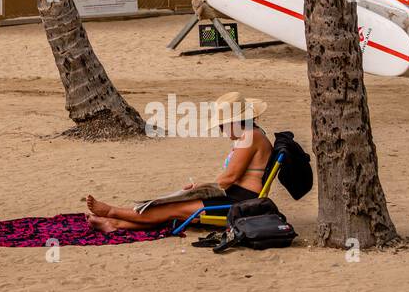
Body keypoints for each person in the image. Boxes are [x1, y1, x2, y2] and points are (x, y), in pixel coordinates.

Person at [84, 93, 273, 233]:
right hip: (235, 195)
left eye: (223, 125)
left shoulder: (250, 136)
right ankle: (114, 224)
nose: (222, 129)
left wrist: (201, 189)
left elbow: (230, 177)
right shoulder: (249, 134)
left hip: (240, 202)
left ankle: (113, 212)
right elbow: (231, 178)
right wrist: (200, 188)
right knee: (173, 208)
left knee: (172, 208)